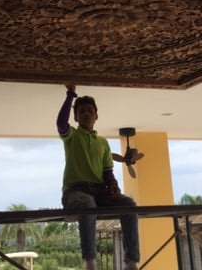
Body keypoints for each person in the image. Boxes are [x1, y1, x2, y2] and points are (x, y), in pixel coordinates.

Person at [57, 84, 140, 270]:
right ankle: (90, 262)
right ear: (75, 117)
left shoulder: (103, 143)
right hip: (75, 192)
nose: (86, 113)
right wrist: (70, 95)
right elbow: (61, 124)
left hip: (100, 194)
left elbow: (107, 172)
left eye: (90, 111)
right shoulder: (72, 136)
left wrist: (114, 188)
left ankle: (131, 261)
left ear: (96, 116)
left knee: (129, 205)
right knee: (87, 204)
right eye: (81, 111)